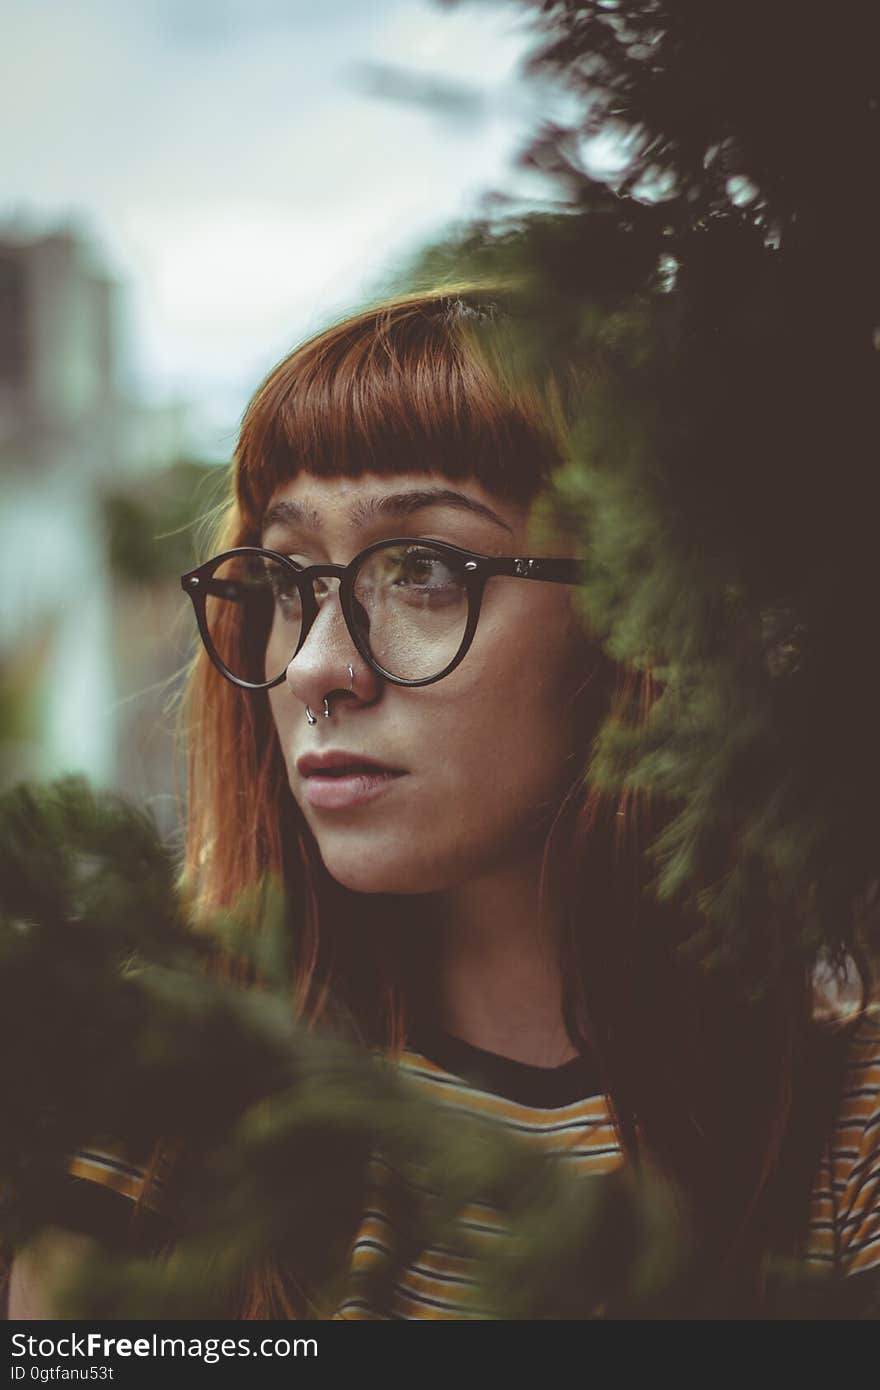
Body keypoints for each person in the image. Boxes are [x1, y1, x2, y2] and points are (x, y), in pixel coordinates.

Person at [7, 287, 880, 1320]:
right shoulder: (152, 1102)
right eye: (288, 581)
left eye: (423, 569)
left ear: (640, 617)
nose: (316, 668)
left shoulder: (843, 1120)